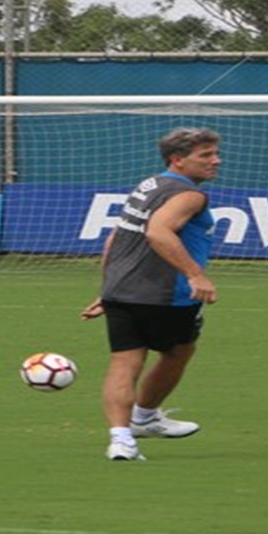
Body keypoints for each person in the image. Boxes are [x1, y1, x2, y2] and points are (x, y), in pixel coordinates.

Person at [81, 127, 220, 462]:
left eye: (215, 153)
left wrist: (106, 289)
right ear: (177, 160)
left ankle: (120, 439)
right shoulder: (191, 196)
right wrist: (195, 274)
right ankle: (144, 417)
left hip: (121, 289)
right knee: (178, 352)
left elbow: (116, 237)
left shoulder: (148, 185)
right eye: (206, 156)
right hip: (165, 294)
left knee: (124, 361)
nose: (216, 161)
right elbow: (158, 232)